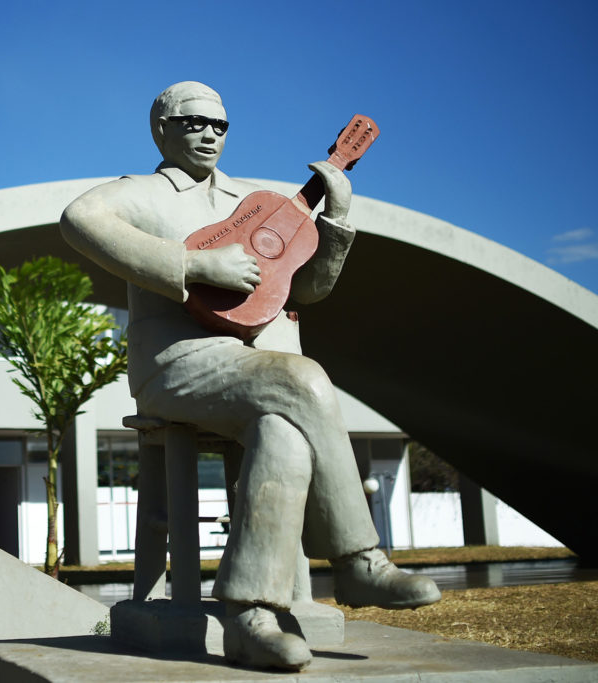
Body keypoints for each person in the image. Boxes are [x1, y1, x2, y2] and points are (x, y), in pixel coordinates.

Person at [60, 81, 440, 671]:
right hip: (178, 365)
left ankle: (250, 616)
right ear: (160, 128)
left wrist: (337, 218)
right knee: (306, 381)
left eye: (221, 125)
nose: (209, 133)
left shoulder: (254, 201)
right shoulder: (140, 195)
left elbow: (301, 290)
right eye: (193, 122)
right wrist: (192, 264)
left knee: (283, 436)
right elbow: (78, 219)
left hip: (260, 370)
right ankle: (359, 561)